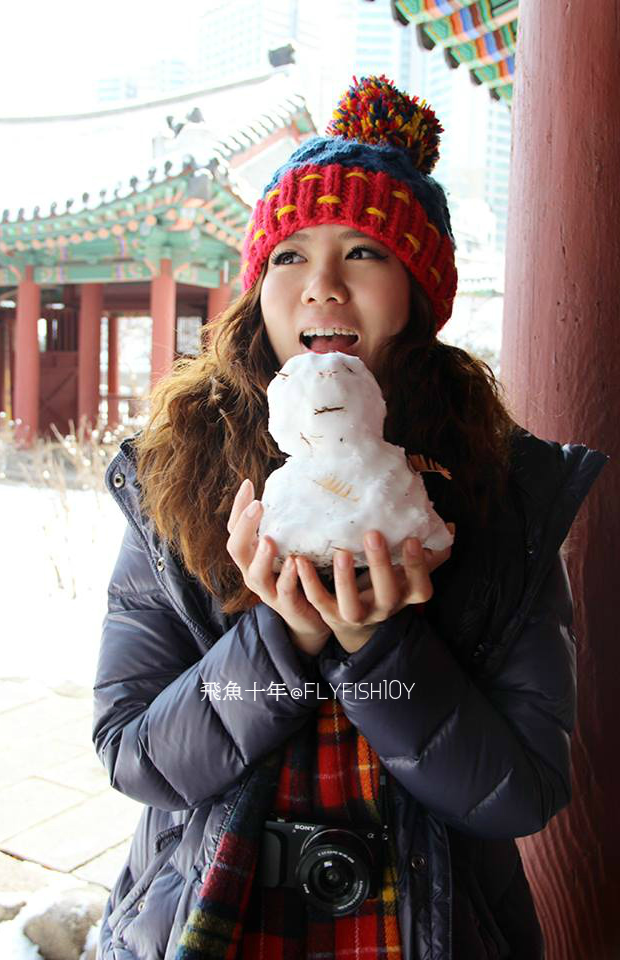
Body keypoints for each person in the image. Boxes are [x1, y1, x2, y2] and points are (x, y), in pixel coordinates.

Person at [93, 76, 607, 960]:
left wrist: (383, 654)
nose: (322, 284)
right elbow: (133, 754)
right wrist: (278, 640)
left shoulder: (502, 491)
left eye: (363, 251)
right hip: (218, 911)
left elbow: (523, 790)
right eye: (289, 255)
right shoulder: (173, 476)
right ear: (259, 287)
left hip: (427, 926)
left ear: (418, 284)